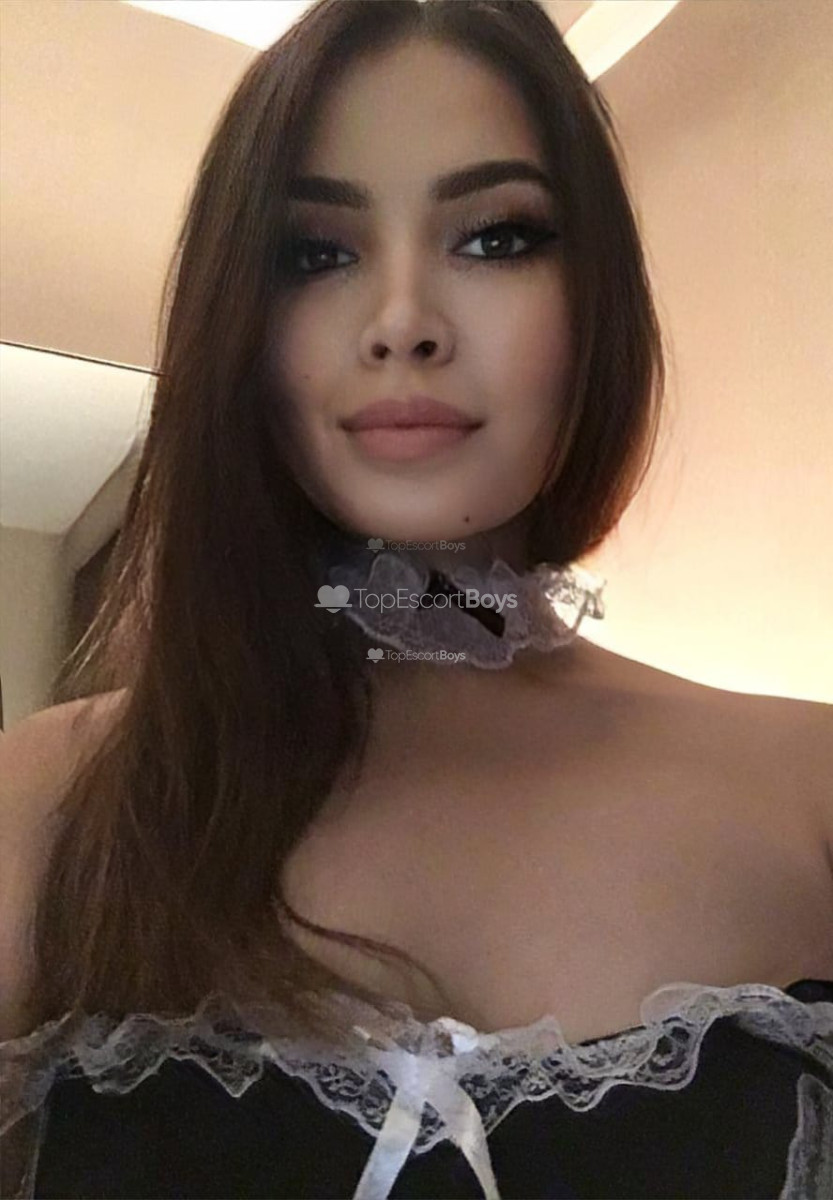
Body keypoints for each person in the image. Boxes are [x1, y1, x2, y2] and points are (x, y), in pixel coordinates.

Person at [1, 1, 831, 1197]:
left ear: (594, 297)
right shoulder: (49, 808)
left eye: (494, 238)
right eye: (314, 253)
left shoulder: (806, 792)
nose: (401, 323)